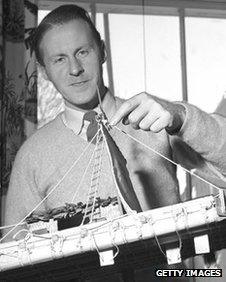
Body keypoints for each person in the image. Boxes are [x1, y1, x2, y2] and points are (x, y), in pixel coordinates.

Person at [3, 5, 226, 277]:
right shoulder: (32, 155)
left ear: (103, 51)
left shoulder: (155, 120)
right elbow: (13, 259)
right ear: (45, 71)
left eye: (83, 52)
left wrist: (182, 117)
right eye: (59, 59)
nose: (75, 68)